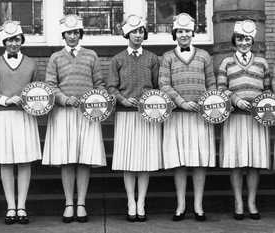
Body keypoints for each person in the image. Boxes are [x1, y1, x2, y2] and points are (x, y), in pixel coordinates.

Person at [42, 14, 106, 223]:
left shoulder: (91, 56)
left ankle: (82, 203)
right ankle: (69, 202)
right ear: (64, 35)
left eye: (76, 32)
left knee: (84, 159)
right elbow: (50, 85)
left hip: (87, 114)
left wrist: (96, 101)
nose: (72, 36)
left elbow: (99, 84)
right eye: (68, 33)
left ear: (80, 34)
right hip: (64, 113)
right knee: (68, 160)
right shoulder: (55, 58)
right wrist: (64, 99)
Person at [159, 13, 216, 221]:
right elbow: (164, 84)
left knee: (199, 161)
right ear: (175, 34)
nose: (184, 35)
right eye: (180, 31)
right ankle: (181, 205)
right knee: (180, 161)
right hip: (177, 116)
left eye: (187, 31)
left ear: (193, 33)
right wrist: (181, 102)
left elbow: (212, 84)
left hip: (200, 116)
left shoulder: (204, 56)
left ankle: (198, 206)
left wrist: (206, 102)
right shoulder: (167, 57)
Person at [0, 20, 42, 225]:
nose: (13, 44)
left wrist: (32, 102)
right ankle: (10, 206)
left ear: (21, 40)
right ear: (4, 42)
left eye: (16, 39)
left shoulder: (32, 64)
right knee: (6, 161)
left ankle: (22, 206)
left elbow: (39, 91)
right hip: (3, 116)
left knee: (24, 161)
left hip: (25, 117)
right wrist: (6, 100)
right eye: (9, 40)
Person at [107, 14, 161, 222]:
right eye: (134, 32)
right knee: (129, 161)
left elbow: (157, 86)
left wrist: (151, 102)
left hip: (147, 116)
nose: (138, 35)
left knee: (145, 161)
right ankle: (131, 202)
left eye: (141, 32)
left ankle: (142, 203)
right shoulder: (117, 59)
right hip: (126, 115)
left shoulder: (152, 58)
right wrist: (122, 99)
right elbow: (111, 86)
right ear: (127, 34)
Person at [217, 20, 270, 220]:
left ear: (252, 40)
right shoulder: (226, 63)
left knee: (255, 163)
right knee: (237, 162)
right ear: (234, 40)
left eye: (247, 39)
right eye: (240, 38)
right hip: (235, 119)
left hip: (256, 120)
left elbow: (268, 91)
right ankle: (239, 202)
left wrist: (264, 105)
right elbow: (221, 90)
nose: (243, 42)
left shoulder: (262, 62)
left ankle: (252, 202)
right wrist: (236, 100)